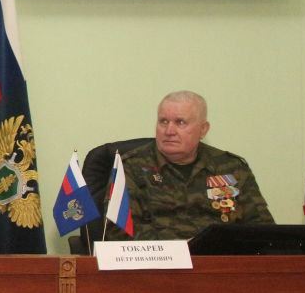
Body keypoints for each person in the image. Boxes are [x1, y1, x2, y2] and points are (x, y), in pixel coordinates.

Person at [106, 90, 274, 240]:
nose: (169, 131)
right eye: (163, 121)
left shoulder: (231, 167)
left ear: (203, 129)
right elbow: (119, 233)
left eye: (180, 122)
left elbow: (263, 228)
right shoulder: (131, 167)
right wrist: (181, 251)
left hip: (219, 260)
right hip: (159, 261)